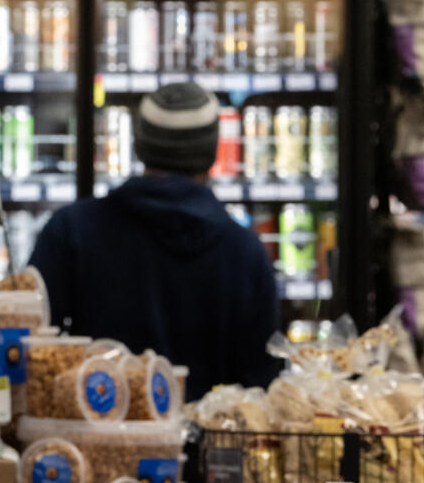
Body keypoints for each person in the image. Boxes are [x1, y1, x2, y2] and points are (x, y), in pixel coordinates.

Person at [29, 81, 280, 399]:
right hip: (209, 443)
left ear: (141, 145)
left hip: (96, 435)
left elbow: (32, 347)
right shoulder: (245, 252)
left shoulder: (72, 230)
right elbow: (260, 382)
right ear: (211, 152)